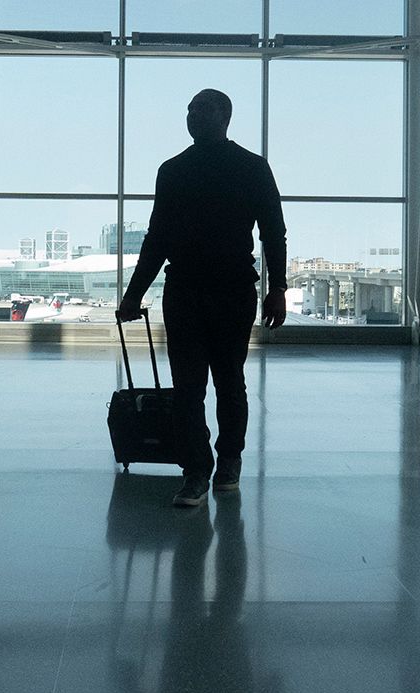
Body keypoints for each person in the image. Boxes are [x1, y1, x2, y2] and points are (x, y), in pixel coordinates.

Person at [117, 88, 287, 507]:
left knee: (223, 382)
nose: (192, 115)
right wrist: (133, 294)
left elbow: (273, 232)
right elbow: (157, 238)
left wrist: (279, 288)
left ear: (225, 115)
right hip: (199, 290)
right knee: (195, 386)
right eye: (190, 109)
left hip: (219, 290)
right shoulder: (179, 170)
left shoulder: (242, 168)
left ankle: (222, 462)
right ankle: (200, 469)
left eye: (202, 108)